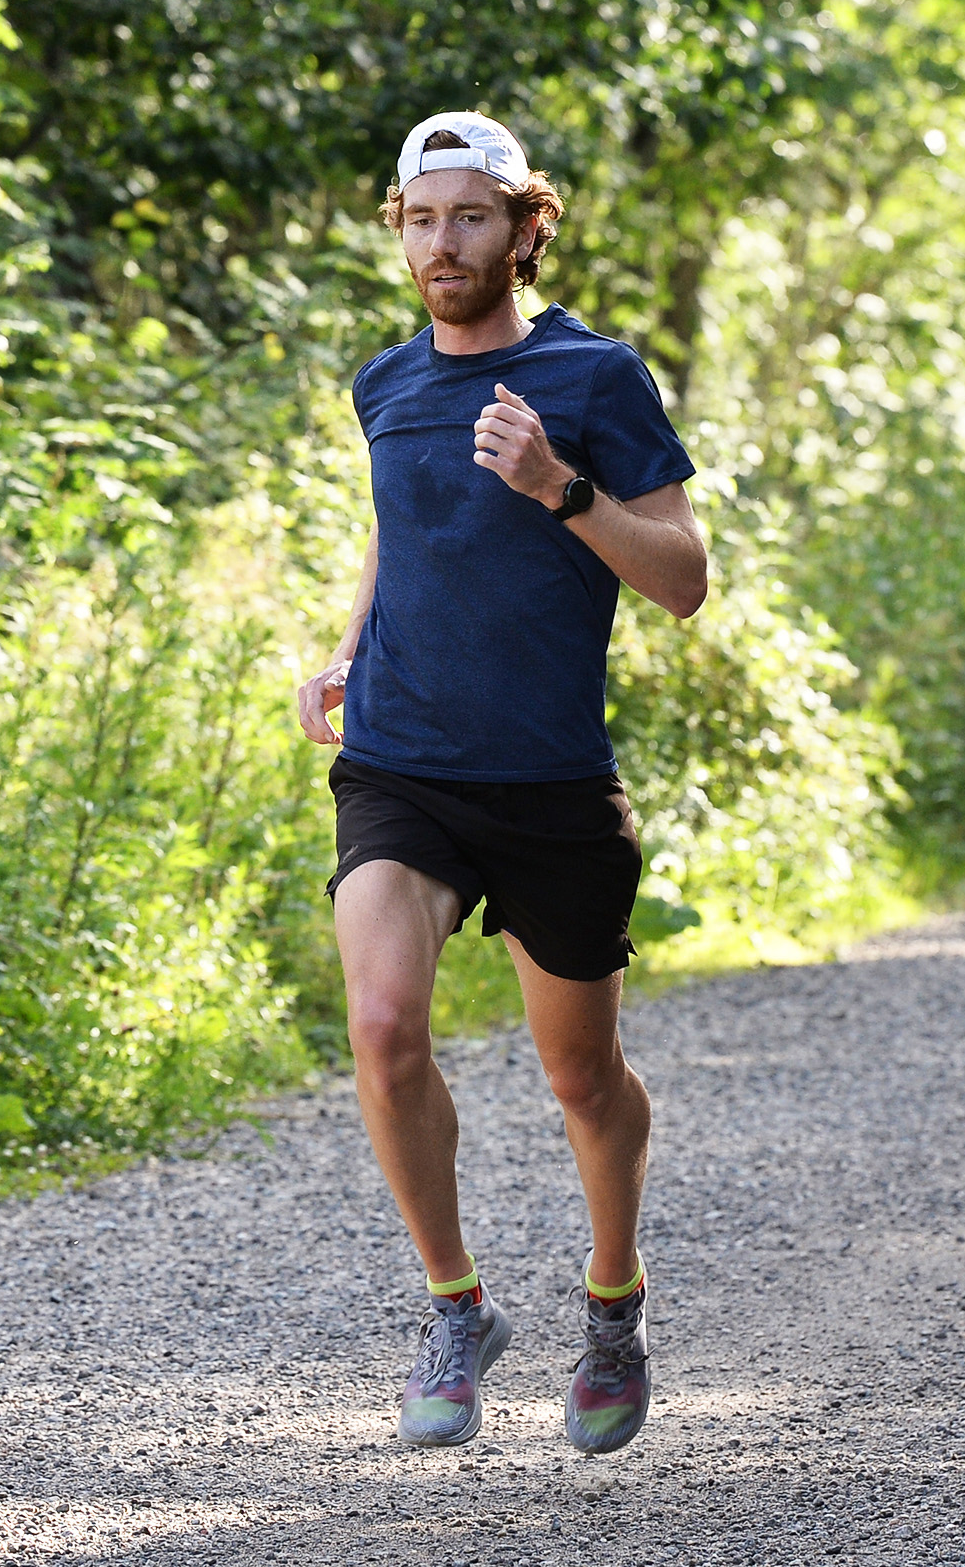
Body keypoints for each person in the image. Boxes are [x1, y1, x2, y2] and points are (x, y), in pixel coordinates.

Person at [293, 110, 709, 1455]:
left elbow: (685, 580)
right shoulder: (386, 384)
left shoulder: (596, 379)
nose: (442, 245)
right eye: (421, 220)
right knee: (380, 1026)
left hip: (549, 784)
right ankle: (458, 1309)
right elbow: (397, 533)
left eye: (470, 217)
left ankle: (611, 1307)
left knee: (583, 1082)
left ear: (527, 228)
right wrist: (347, 650)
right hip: (403, 766)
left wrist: (559, 487)